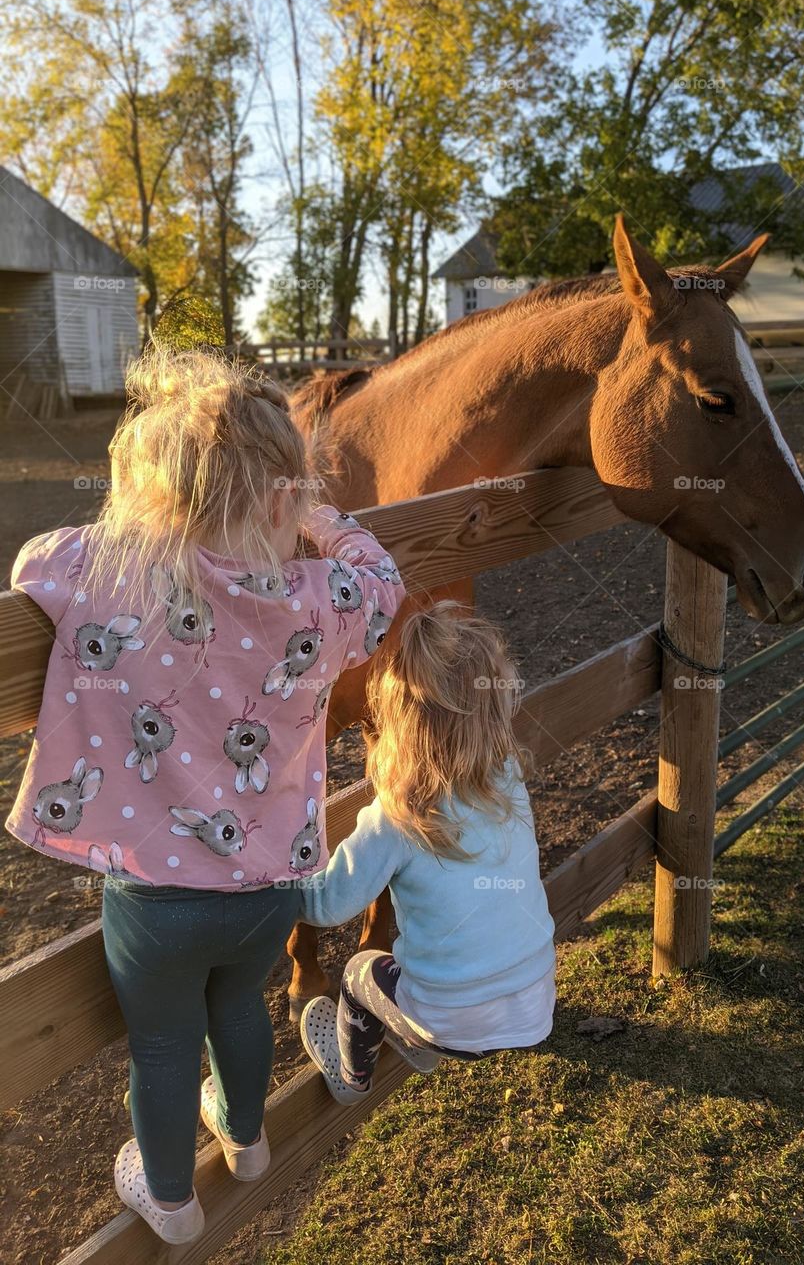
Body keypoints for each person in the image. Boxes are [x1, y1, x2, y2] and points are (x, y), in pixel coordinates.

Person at [5, 349, 405, 1243]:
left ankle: (171, 1202)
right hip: (269, 885)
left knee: (160, 1044)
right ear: (281, 498)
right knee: (237, 1009)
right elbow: (384, 580)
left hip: (155, 896)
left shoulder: (105, 571)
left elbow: (37, 557)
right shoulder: (320, 596)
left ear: (154, 494)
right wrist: (326, 521)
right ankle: (249, 1141)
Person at [299, 602, 556, 1104]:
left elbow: (325, 907)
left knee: (359, 973)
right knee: (435, 971)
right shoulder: (507, 778)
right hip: (533, 1005)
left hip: (449, 1018)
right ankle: (420, 1036)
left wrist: (289, 871)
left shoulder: (396, 817)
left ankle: (352, 1078)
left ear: (395, 721)